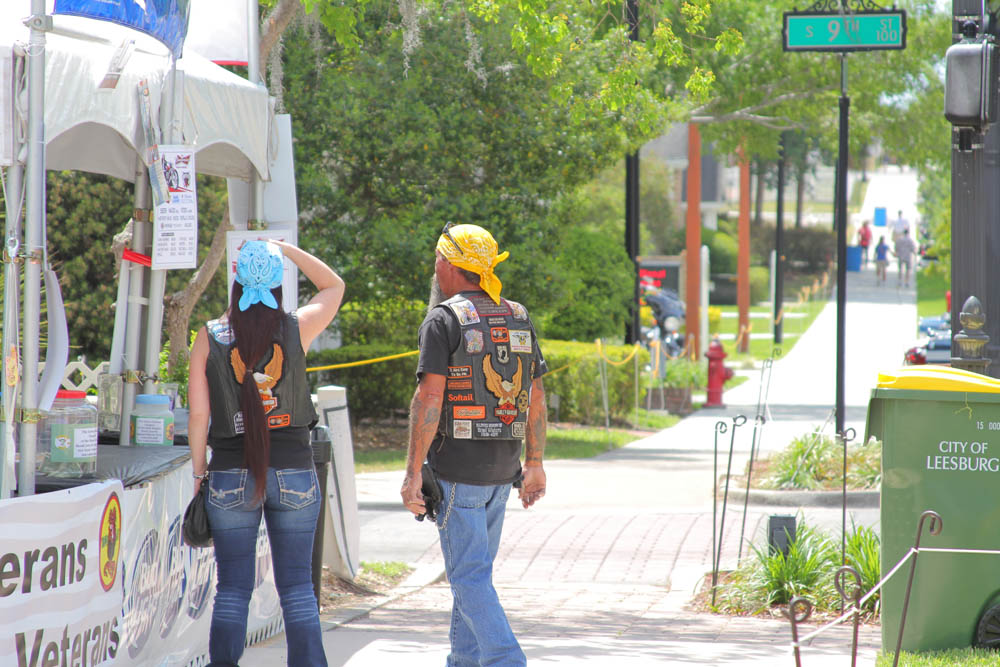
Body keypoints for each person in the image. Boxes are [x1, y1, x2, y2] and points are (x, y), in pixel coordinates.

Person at [188, 239, 345, 667]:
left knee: (233, 588)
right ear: (277, 284)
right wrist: (288, 250)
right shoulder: (297, 327)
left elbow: (199, 418)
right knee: (297, 588)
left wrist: (201, 473)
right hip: (294, 469)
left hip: (229, 473)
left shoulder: (209, 336)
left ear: (235, 280)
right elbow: (334, 287)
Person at [401, 223, 548, 667]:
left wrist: (412, 474)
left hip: (456, 474)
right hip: (503, 471)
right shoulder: (517, 314)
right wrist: (535, 464)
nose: (435, 268)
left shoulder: (443, 318)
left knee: (468, 578)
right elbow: (536, 397)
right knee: (474, 578)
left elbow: (430, 398)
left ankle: (506, 660)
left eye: (437, 260)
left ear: (447, 264)